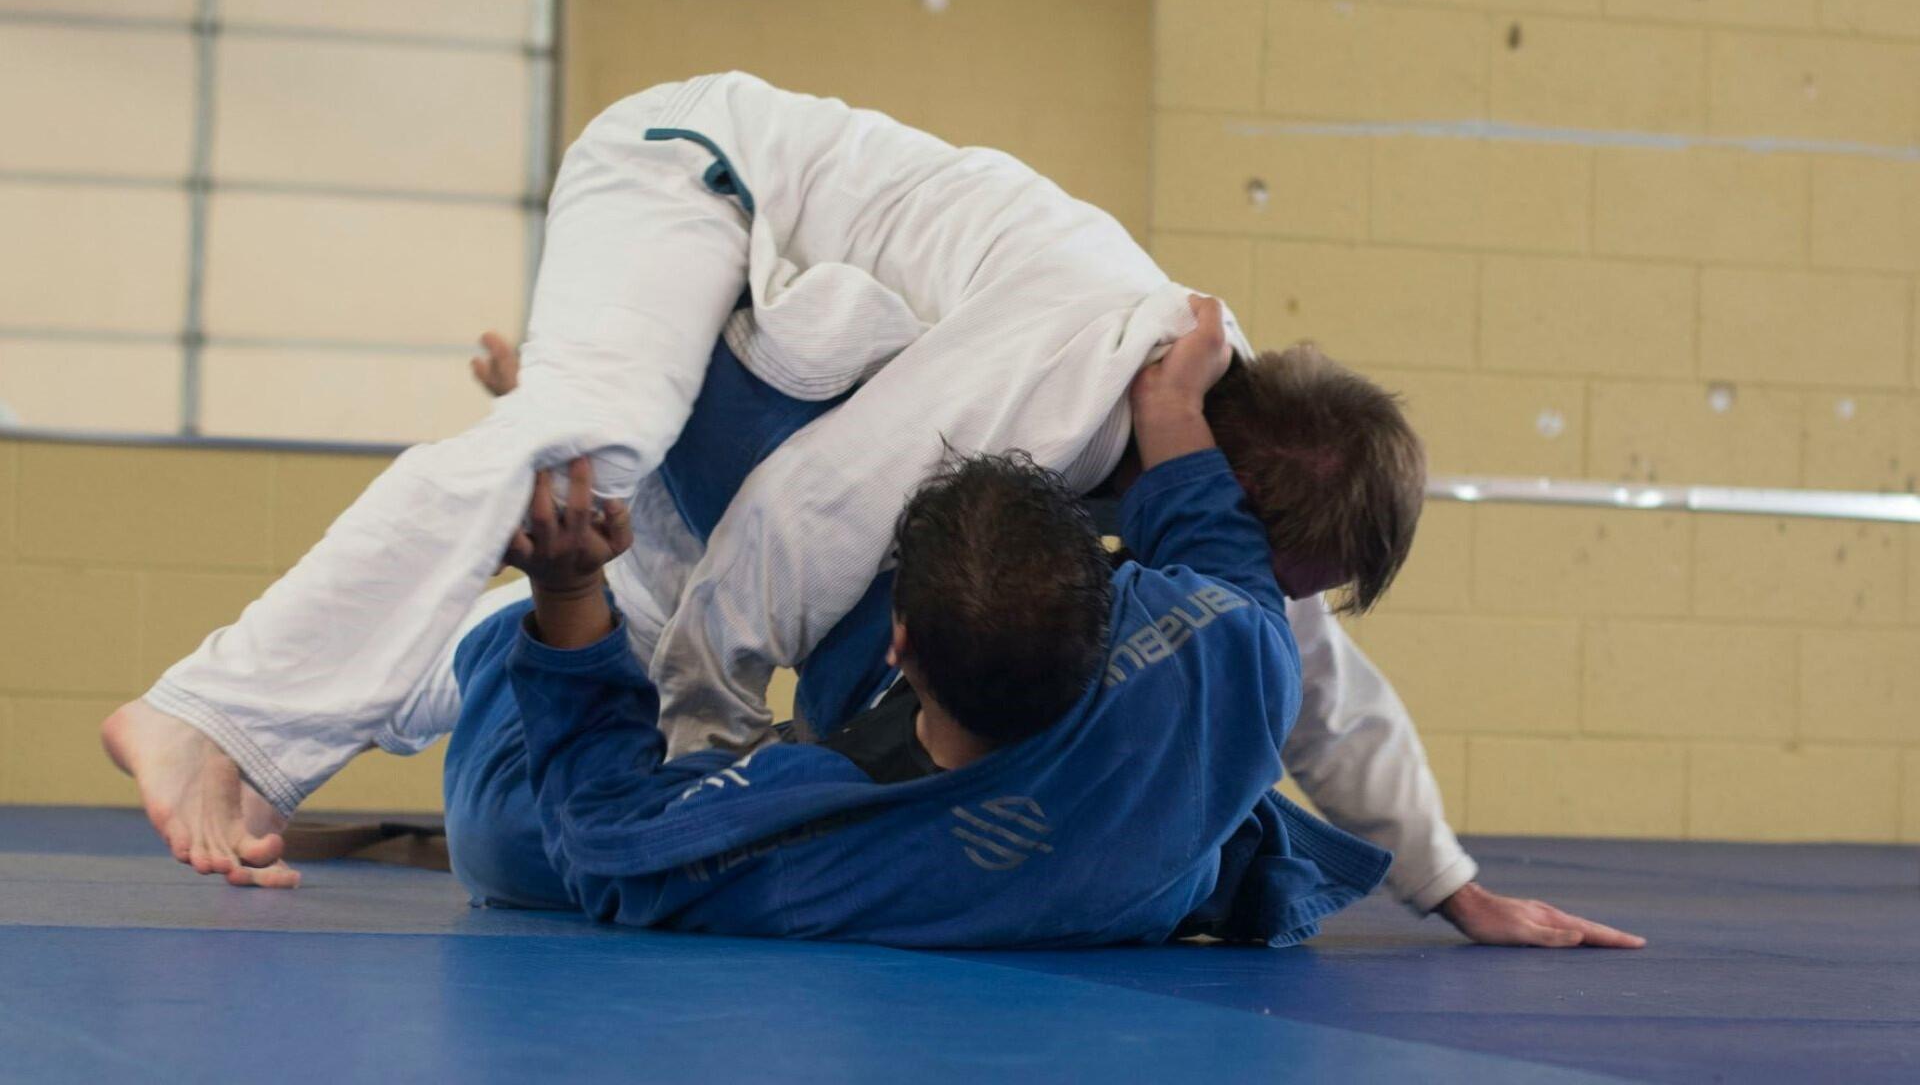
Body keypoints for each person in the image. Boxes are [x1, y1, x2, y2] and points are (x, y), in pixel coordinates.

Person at [103, 72, 1641, 948]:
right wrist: (705, 760)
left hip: (786, 338)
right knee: (597, 437)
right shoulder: (1063, 374)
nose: (1268, 588)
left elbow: (1311, 672)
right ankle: (215, 713)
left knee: (610, 568)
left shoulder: (1209, 477)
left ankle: (447, 647)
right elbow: (797, 517)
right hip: (690, 178)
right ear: (1229, 484)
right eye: (1278, 559)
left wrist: (1450, 883)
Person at [440, 306, 1388, 946]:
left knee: (509, 844)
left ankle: (516, 629)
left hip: (874, 781)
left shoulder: (834, 845)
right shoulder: (1230, 652)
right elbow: (1214, 533)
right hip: (1108, 833)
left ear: (899, 643)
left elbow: (602, 838)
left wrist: (566, 595)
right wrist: (1177, 407)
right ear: (1111, 599)